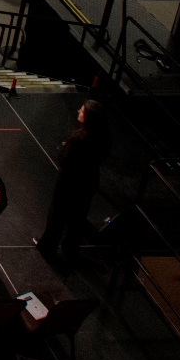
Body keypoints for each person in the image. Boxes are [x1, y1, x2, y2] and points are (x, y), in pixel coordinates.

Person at [36, 98, 110, 265]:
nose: (78, 111)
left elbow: (66, 160)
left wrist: (63, 149)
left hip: (69, 182)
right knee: (77, 219)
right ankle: (70, 251)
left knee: (57, 215)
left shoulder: (78, 139)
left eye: (82, 111)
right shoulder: (104, 138)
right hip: (88, 181)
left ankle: (48, 247)